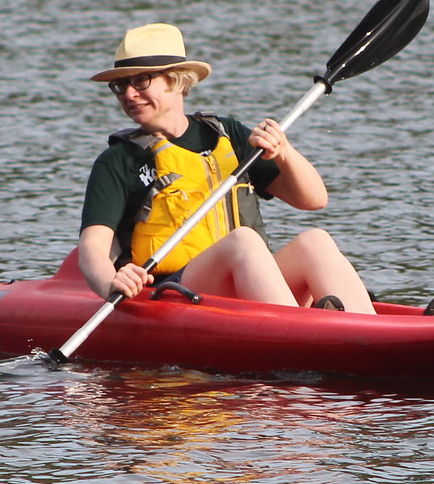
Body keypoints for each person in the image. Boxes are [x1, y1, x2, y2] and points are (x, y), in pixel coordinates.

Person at [77, 23, 375, 312]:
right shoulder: (118, 161)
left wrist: (284, 152)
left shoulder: (227, 134)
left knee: (316, 241)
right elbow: (92, 250)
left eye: (141, 81)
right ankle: (300, 332)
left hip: (250, 279)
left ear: (177, 79)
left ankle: (367, 332)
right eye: (120, 85)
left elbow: (313, 200)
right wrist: (111, 283)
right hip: (171, 292)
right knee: (242, 242)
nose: (129, 94)